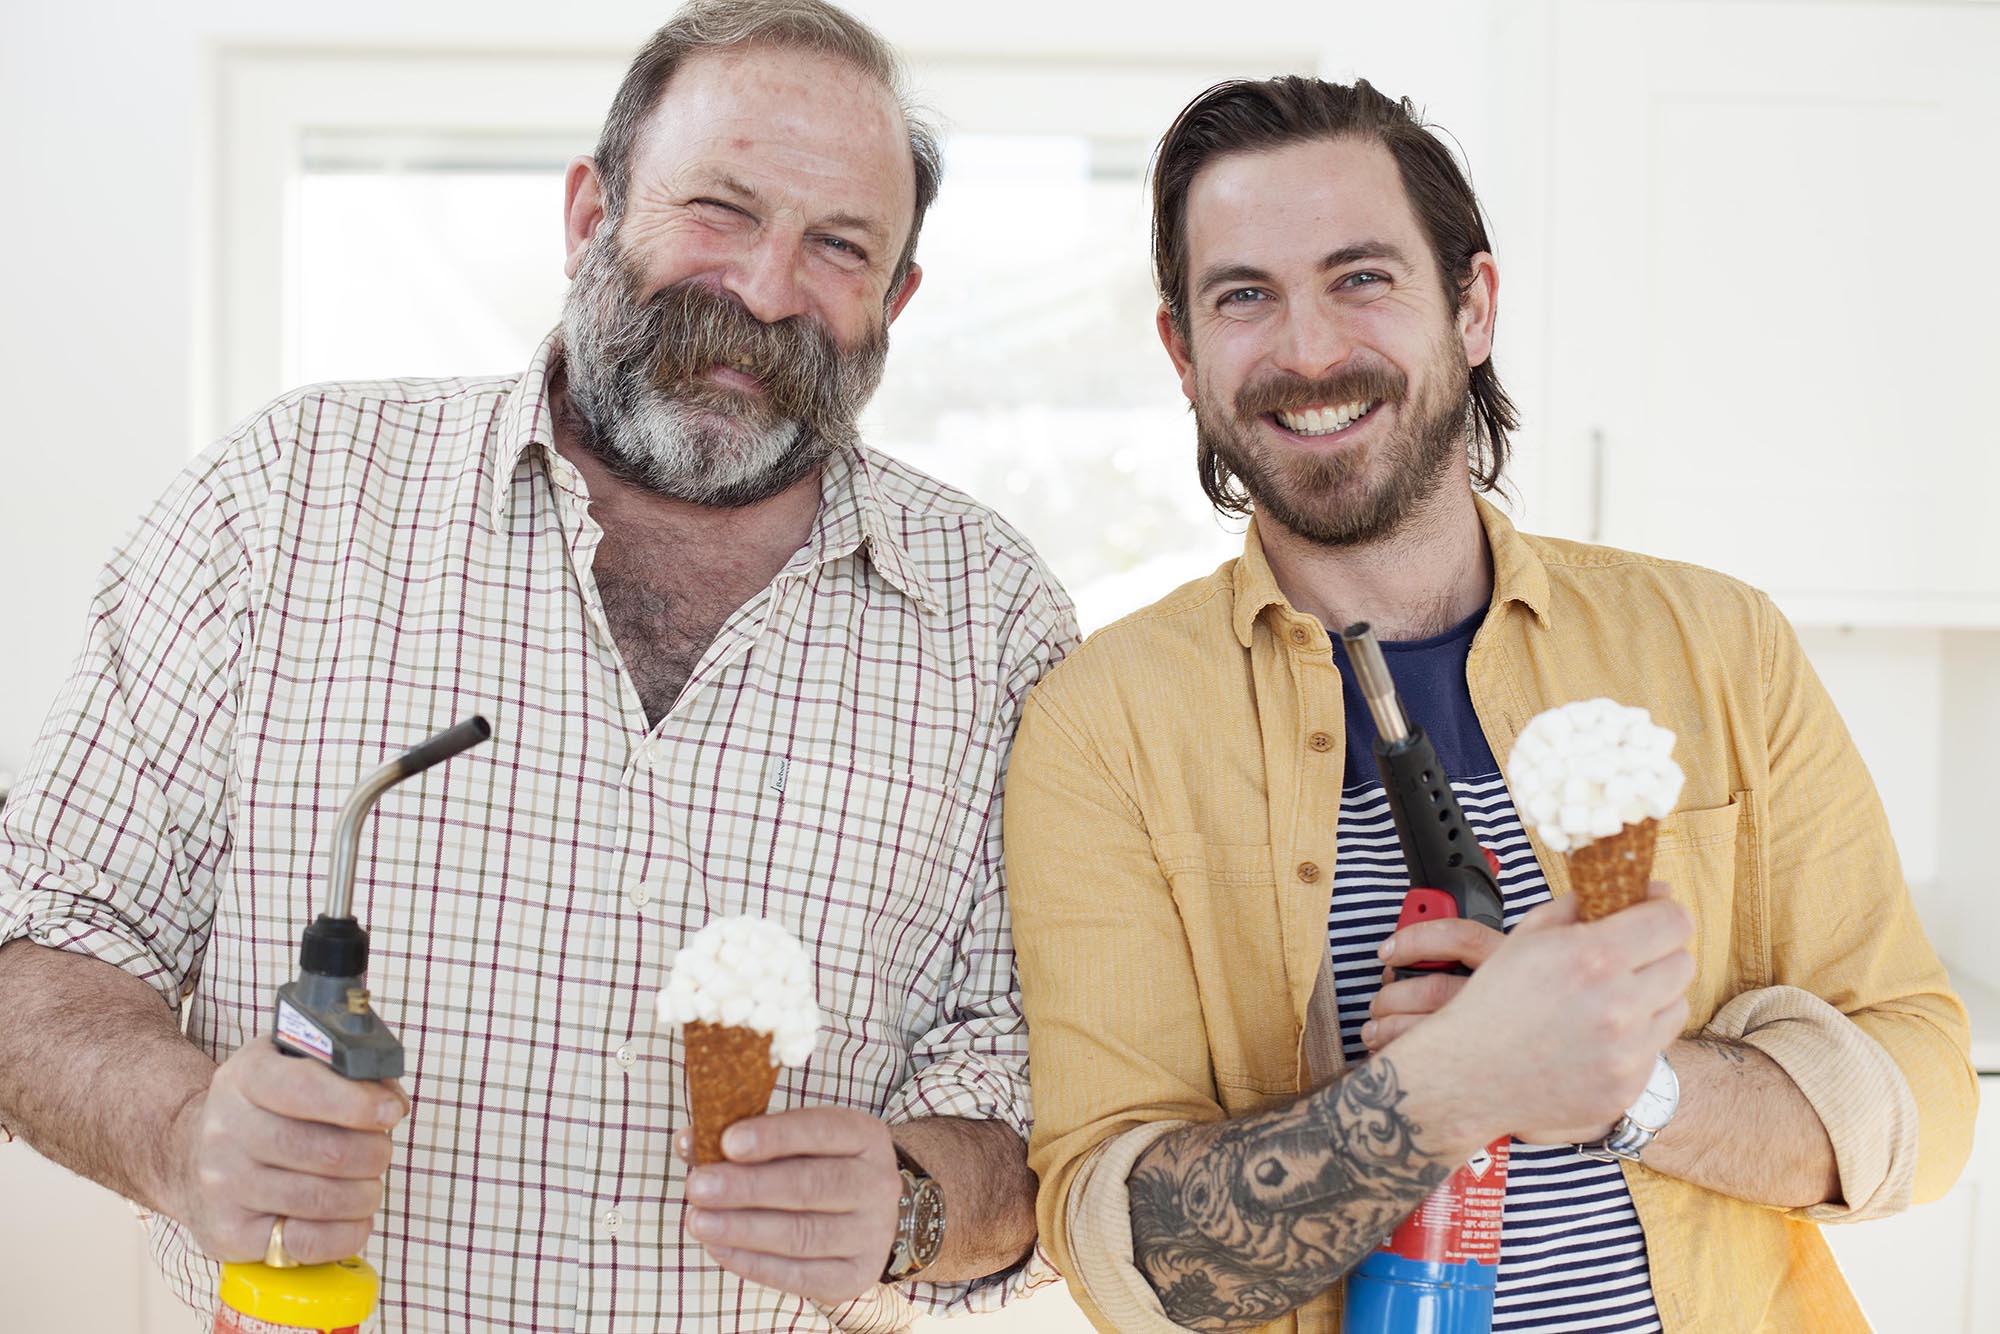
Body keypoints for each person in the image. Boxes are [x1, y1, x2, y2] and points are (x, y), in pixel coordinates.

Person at [0, 2, 1073, 1329]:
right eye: (720, 210)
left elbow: (1048, 1111)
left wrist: (917, 1201)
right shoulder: (285, 498)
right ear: (588, 213)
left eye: (839, 246)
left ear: (897, 298)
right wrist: (179, 1132)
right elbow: (43, 944)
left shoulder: (999, 617)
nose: (765, 288)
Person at [1004, 75, 1976, 1333]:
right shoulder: (1101, 728)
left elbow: (1924, 1098)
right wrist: (1445, 1086)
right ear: (1182, 353)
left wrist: (1622, 1082)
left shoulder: (1714, 643)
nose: (1306, 350)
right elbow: (1128, 1245)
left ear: (1471, 305)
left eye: (1361, 277)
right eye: (1243, 295)